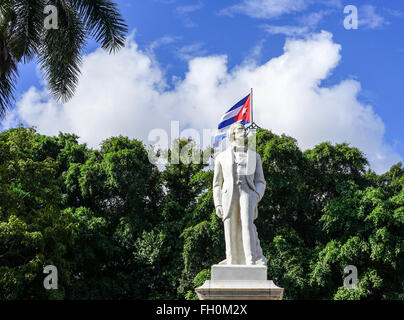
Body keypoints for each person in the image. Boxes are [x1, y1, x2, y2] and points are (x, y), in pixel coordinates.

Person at [213, 122, 267, 265]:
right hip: (228, 194)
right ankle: (231, 261)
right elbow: (217, 184)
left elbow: (261, 181)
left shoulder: (255, 156)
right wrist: (217, 203)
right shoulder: (221, 157)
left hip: (248, 192)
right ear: (233, 134)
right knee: (229, 227)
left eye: (244, 129)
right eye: (239, 130)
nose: (243, 131)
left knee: (247, 225)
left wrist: (257, 195)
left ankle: (251, 261)